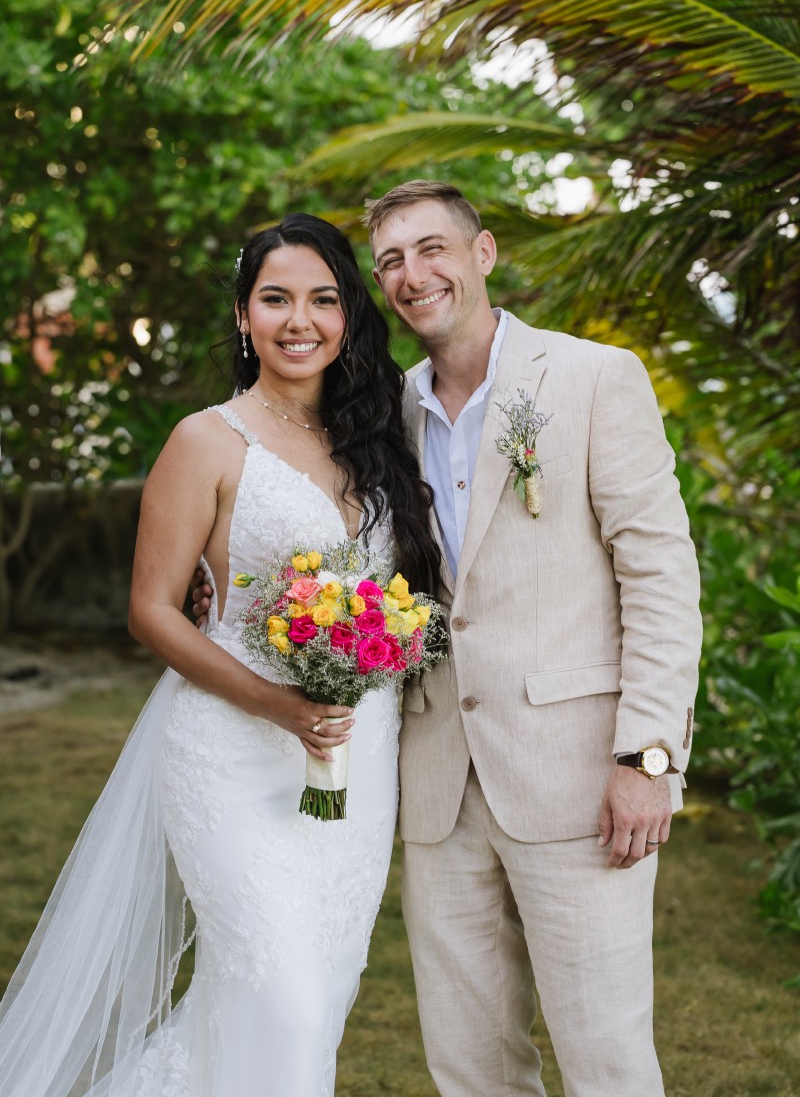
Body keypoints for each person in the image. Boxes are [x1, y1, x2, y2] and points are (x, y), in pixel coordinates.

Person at [0, 213, 441, 1097]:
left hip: (358, 757)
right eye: (275, 299)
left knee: (313, 999)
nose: (299, 319)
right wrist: (282, 704)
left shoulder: (380, 437)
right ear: (244, 317)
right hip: (233, 753)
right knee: (278, 996)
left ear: (349, 313)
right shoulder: (206, 440)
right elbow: (153, 611)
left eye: (322, 299)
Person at [362, 180, 703, 1097]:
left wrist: (651, 757)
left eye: (432, 248)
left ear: (483, 253)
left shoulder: (594, 377)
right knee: (469, 1064)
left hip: (583, 775)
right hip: (438, 780)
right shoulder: (384, 414)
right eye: (391, 259)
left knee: (606, 1056)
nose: (413, 274)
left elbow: (662, 575)